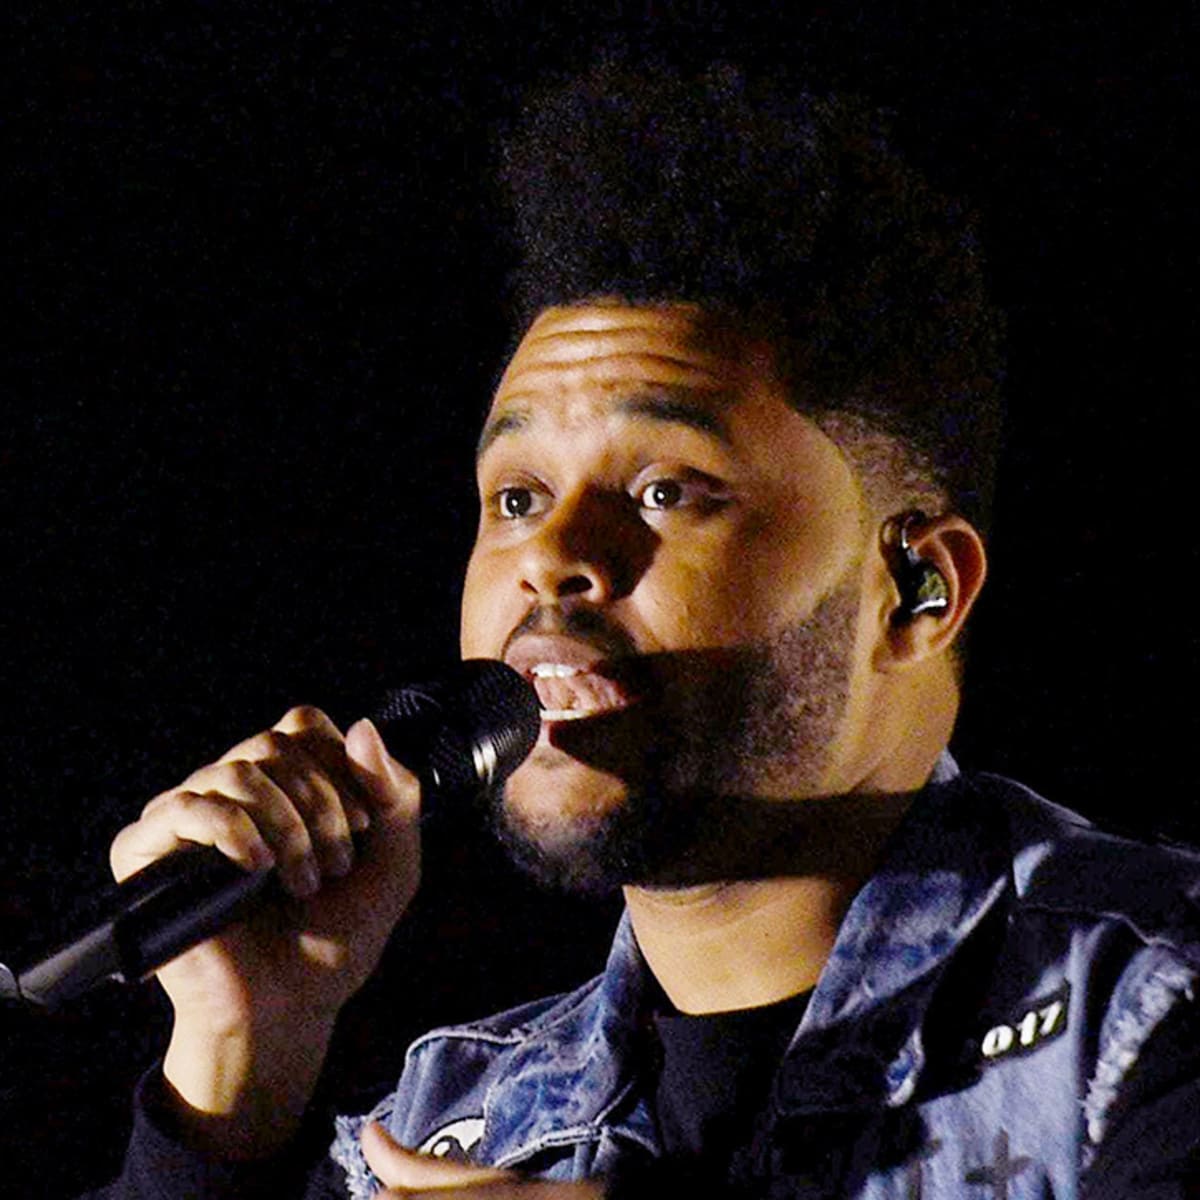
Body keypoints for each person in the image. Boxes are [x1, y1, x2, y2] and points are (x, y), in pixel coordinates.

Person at [89, 62, 1200, 1199]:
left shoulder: (1150, 1006)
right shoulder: (454, 1125)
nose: (550, 556)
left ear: (919, 589)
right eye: (516, 497)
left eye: (667, 490)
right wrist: (236, 1067)